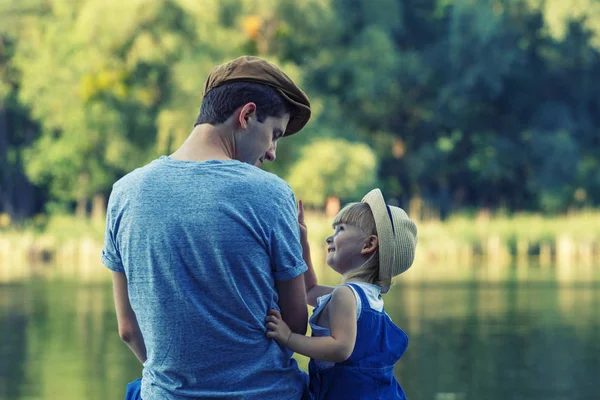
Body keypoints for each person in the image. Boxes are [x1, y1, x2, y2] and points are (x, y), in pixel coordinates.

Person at [101, 56, 312, 399]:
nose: (272, 152)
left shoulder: (125, 192)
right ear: (246, 116)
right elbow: (295, 325)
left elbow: (127, 330)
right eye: (274, 134)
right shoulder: (272, 194)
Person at [266, 189, 418, 400]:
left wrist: (289, 338)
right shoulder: (366, 298)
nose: (330, 237)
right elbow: (309, 290)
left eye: (341, 230)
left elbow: (340, 348)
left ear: (369, 244)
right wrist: (303, 242)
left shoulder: (346, 295)